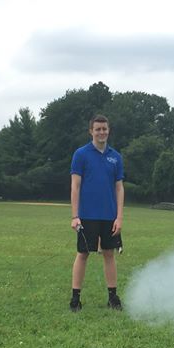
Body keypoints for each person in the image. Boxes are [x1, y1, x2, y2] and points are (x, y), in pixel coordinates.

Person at [69, 115, 124, 312]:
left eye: (104, 129)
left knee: (109, 254)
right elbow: (75, 186)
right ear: (91, 131)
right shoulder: (81, 154)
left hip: (109, 216)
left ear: (109, 130)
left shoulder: (115, 157)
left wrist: (119, 217)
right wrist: (75, 216)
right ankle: (75, 298)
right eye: (98, 129)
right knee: (83, 254)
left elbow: (119, 188)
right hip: (87, 215)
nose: (102, 132)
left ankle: (113, 297)